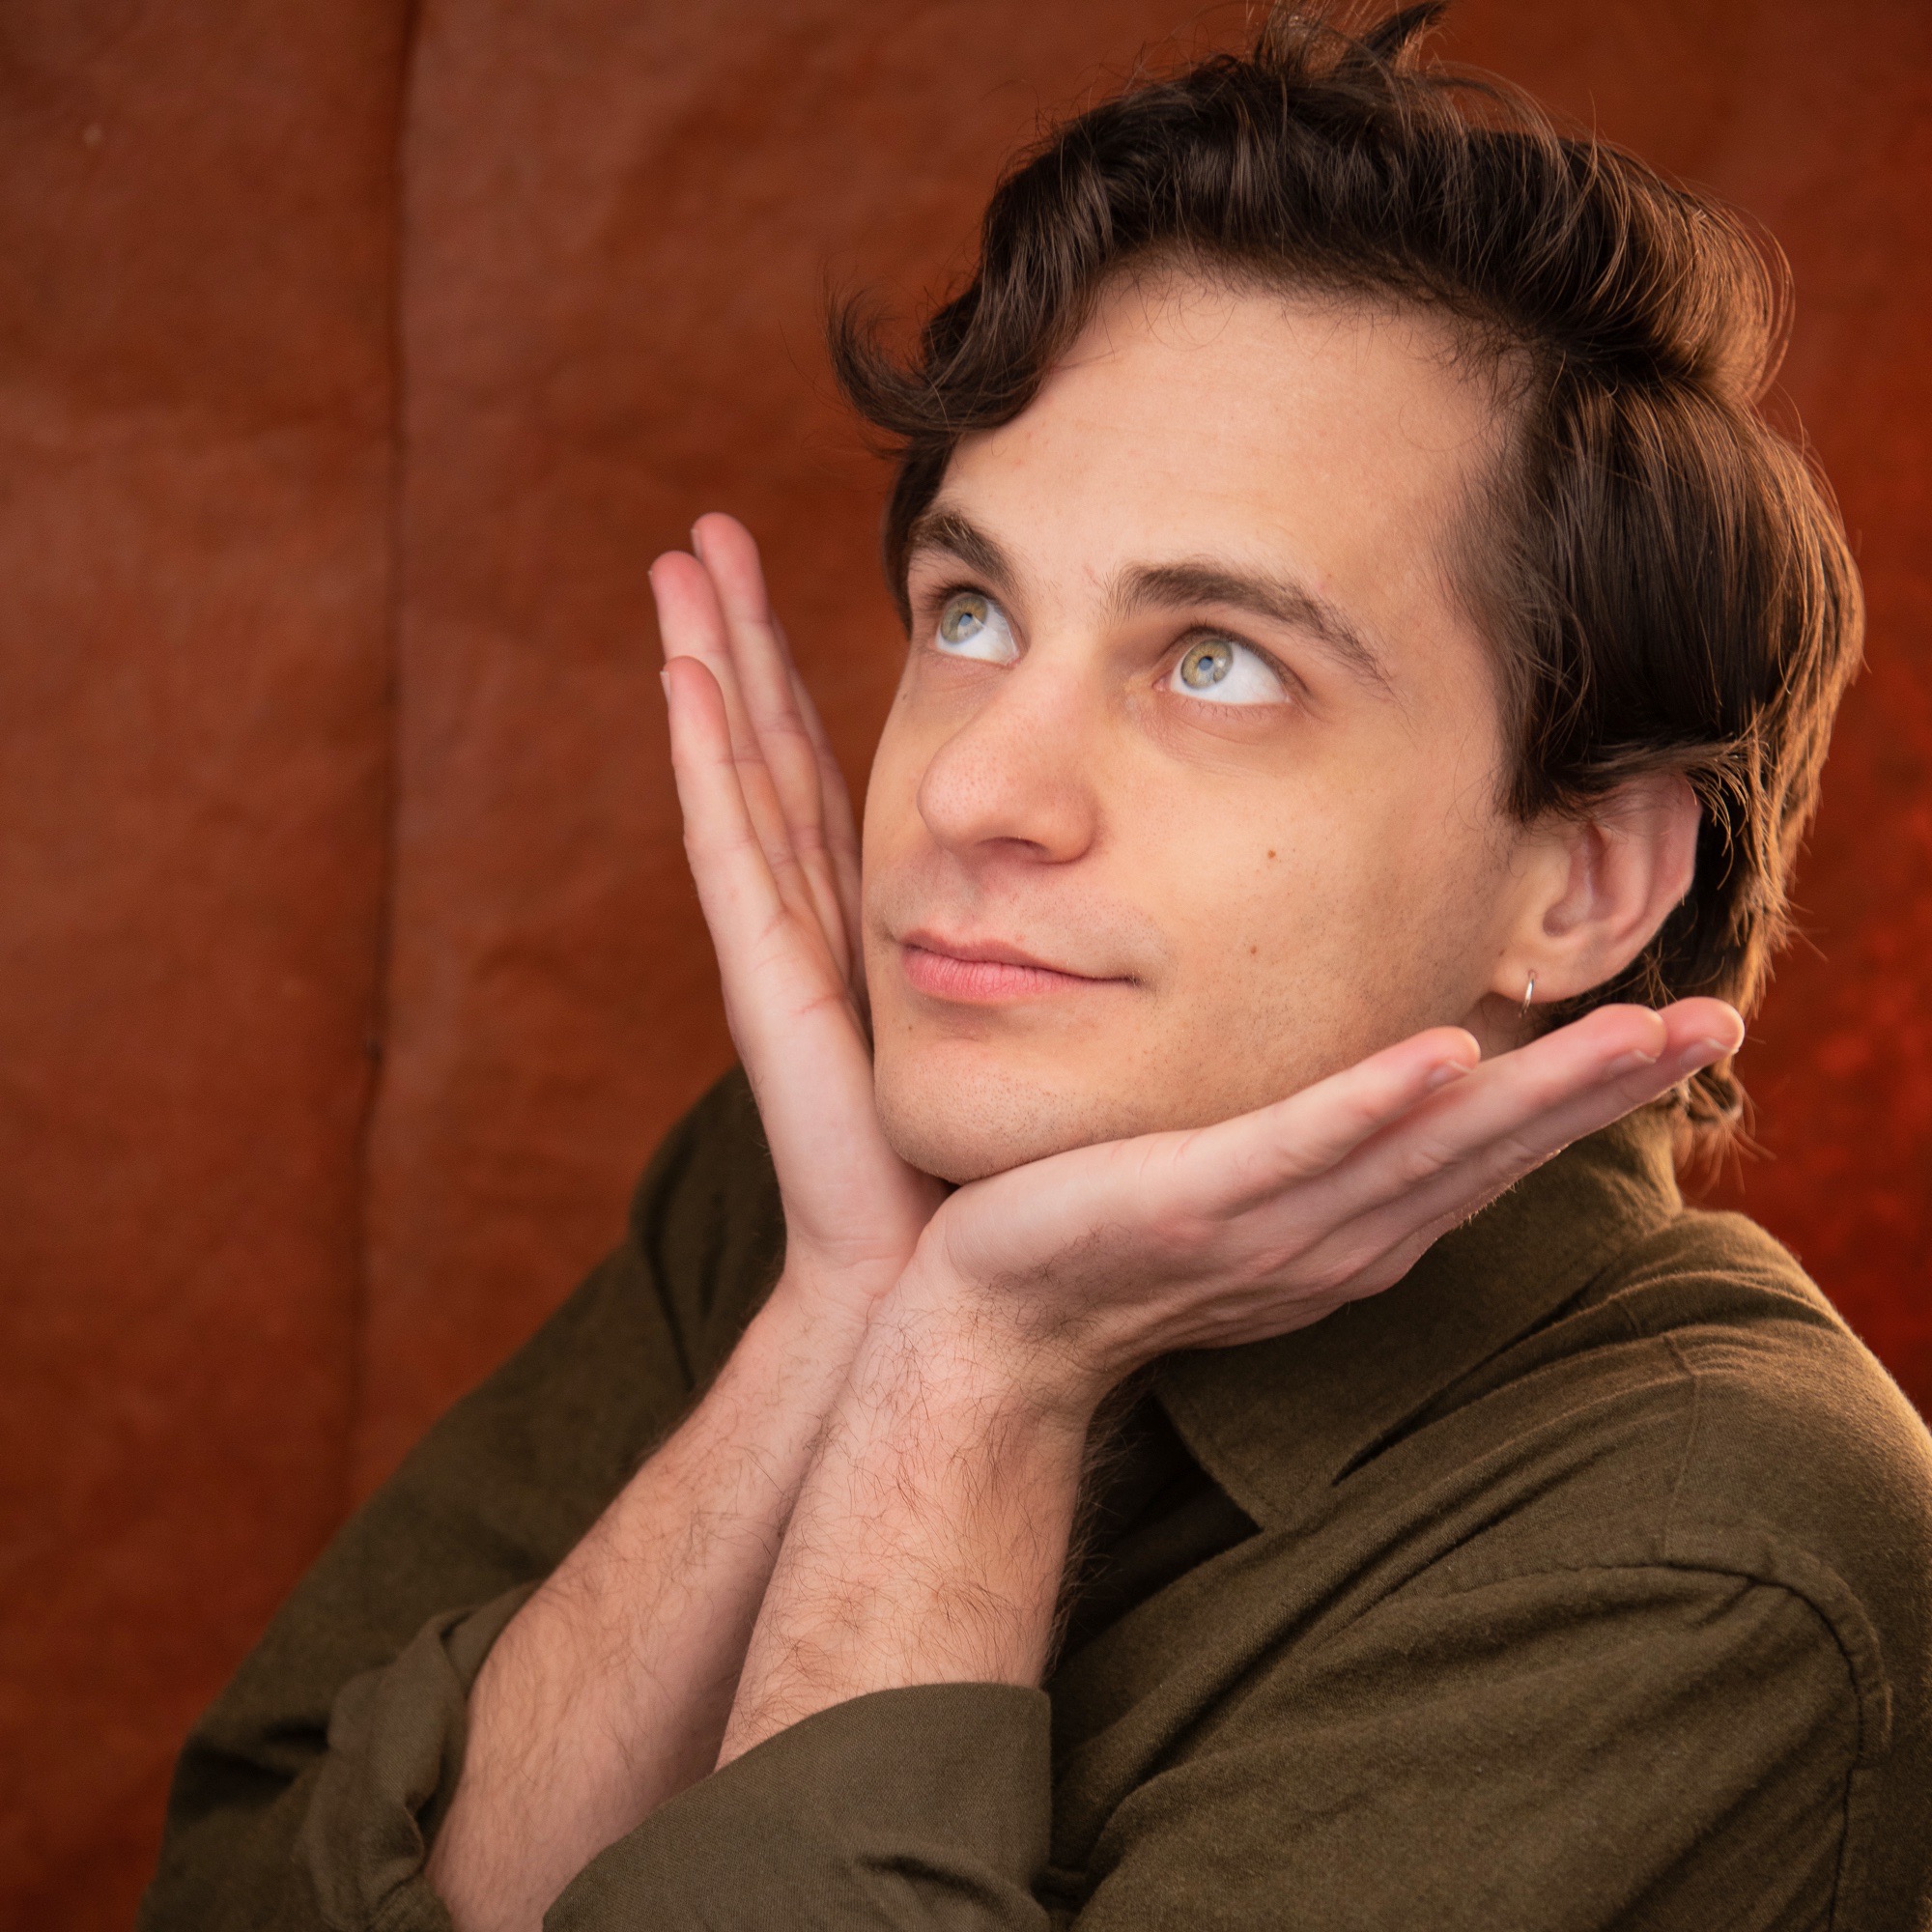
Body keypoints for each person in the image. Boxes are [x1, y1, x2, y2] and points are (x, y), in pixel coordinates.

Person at [141, 8, 1932, 1929]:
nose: (971, 787)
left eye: (1217, 661)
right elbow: (238, 1895)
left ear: (1581, 883)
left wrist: (969, 1380)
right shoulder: (826, 1174)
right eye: (974, 613)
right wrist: (841, 1306)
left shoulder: (1725, 1562)